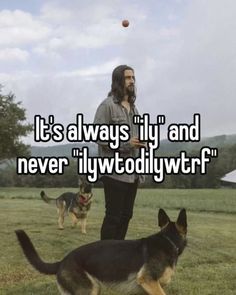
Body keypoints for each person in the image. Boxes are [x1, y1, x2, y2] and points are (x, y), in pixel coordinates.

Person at [93, 65, 145, 240]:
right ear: (118, 81)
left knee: (126, 215)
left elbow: (134, 138)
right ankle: (104, 258)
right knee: (113, 217)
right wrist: (126, 144)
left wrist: (142, 142)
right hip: (114, 173)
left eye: (133, 78)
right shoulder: (107, 106)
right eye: (128, 78)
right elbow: (99, 136)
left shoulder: (133, 108)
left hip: (133, 173)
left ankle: (117, 254)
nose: (132, 81)